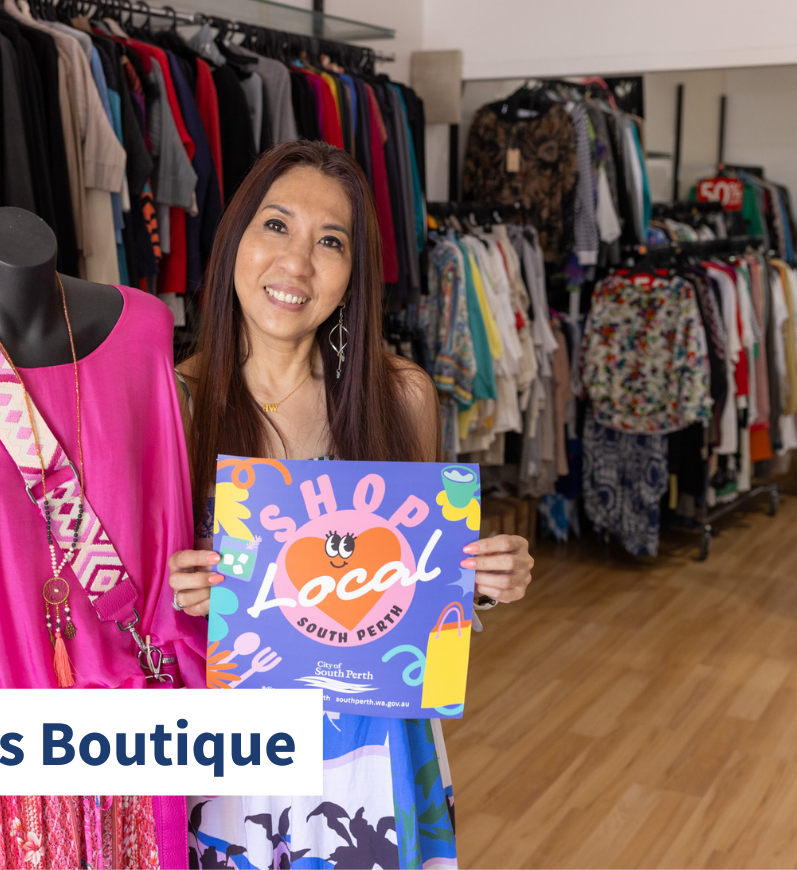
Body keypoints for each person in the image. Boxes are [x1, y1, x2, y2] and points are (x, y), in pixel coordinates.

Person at [168, 140, 534, 869]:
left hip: (373, 748)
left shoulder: (400, 397)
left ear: (352, 275)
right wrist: (172, 591)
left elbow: (418, 582)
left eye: (328, 242)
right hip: (235, 759)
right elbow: (132, 616)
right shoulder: (172, 403)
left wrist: (480, 581)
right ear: (234, 238)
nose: (296, 262)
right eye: (276, 226)